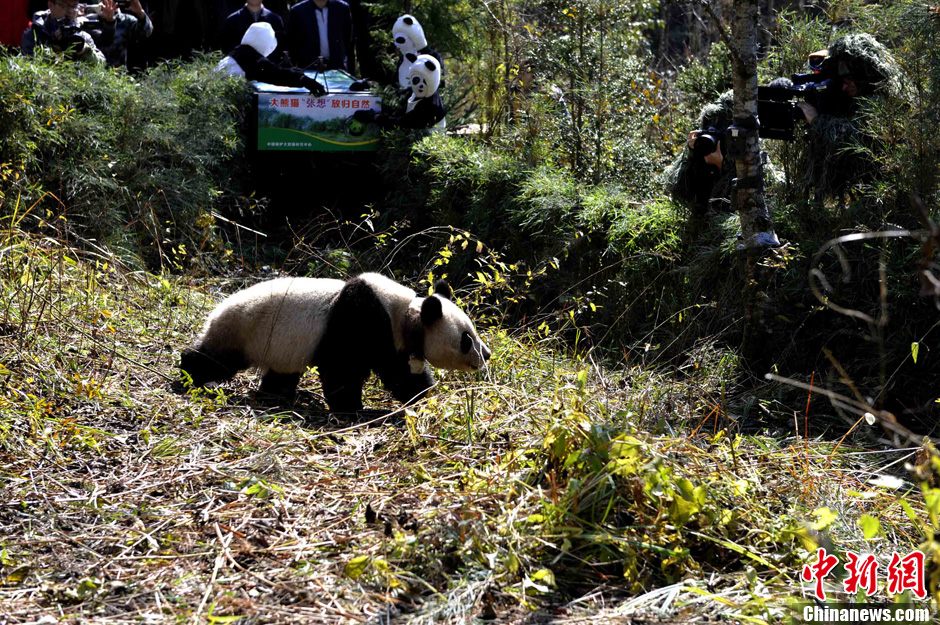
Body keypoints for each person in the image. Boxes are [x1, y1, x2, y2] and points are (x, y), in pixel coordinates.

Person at [793, 33, 901, 201]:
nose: (844, 87)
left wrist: (816, 120)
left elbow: (854, 138)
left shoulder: (881, 99)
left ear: (864, 76)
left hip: (890, 192)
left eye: (848, 80)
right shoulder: (861, 96)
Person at [664, 91, 736, 215]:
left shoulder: (750, 155)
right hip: (700, 224)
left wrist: (721, 166)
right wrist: (692, 154)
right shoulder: (704, 147)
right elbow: (680, 191)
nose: (714, 133)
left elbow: (734, 206)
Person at [216, 21, 326, 95]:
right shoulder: (254, 60)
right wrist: (304, 80)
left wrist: (293, 71)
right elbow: (277, 74)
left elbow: (271, 70)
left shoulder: (238, 52)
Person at [22, 0, 105, 64]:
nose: (70, 11)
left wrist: (83, 51)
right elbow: (30, 65)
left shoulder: (82, 36)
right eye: (64, 5)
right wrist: (54, 49)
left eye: (74, 6)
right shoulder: (35, 34)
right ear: (51, 4)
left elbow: (101, 64)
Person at [287, 0, 354, 72]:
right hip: (308, 68)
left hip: (337, 67)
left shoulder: (342, 8)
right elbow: (292, 44)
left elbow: (348, 39)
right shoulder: (297, 11)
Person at [85, 0, 153, 68]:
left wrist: (140, 13)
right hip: (93, 72)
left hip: (118, 73)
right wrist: (109, 22)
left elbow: (146, 33)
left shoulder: (126, 20)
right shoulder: (89, 20)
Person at [219, 0, 285, 61]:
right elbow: (227, 49)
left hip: (269, 70)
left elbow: (280, 49)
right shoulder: (232, 20)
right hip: (240, 69)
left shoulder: (275, 19)